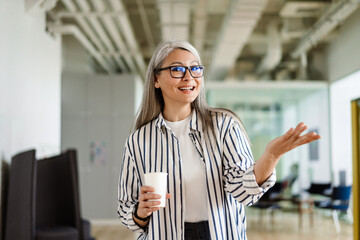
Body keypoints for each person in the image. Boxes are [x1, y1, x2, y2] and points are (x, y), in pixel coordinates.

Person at [117, 40, 321, 240]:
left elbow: (244, 193)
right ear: (156, 79)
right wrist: (140, 213)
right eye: (177, 69)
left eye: (195, 69)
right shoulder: (138, 141)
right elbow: (126, 209)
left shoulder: (224, 126)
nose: (189, 77)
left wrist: (270, 157)